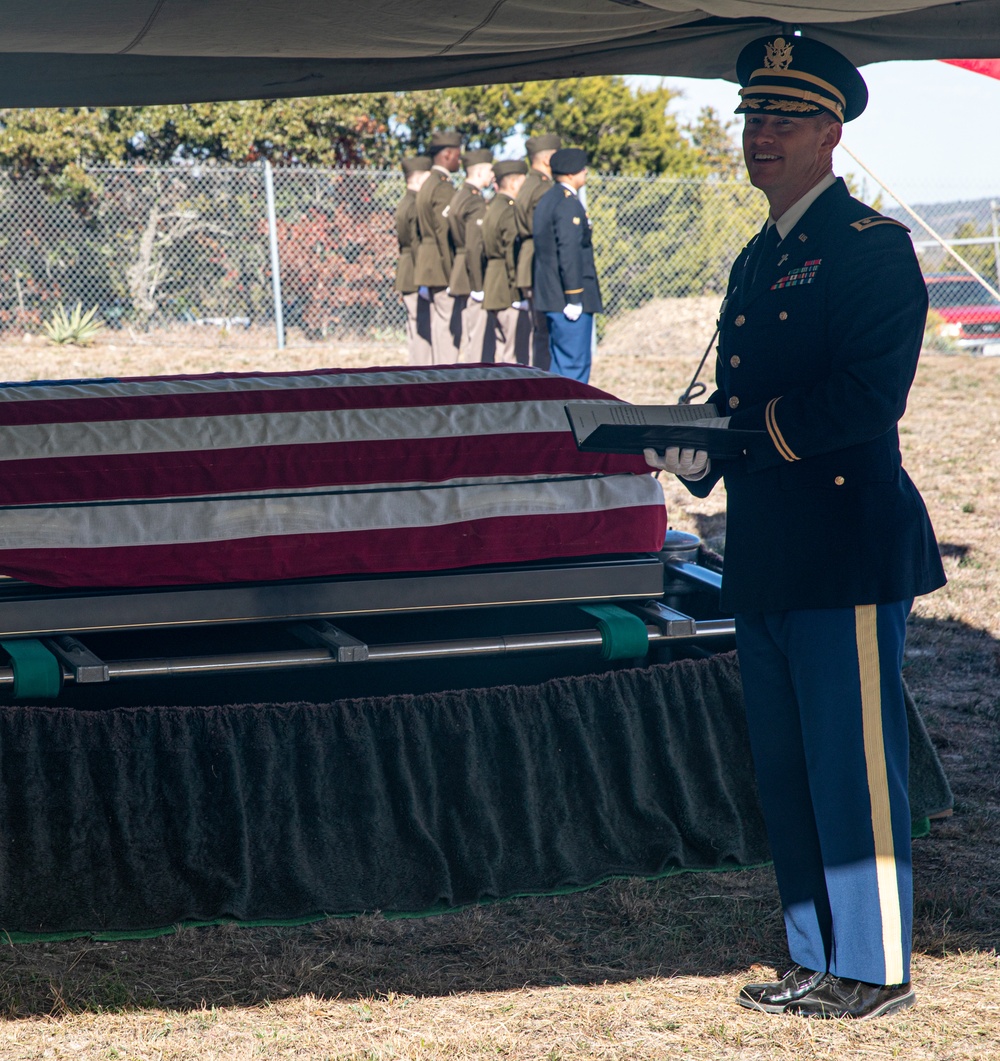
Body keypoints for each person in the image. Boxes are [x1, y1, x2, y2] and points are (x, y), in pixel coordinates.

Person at [644, 35, 946, 1020]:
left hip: (844, 542)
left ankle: (876, 966)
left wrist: (741, 436)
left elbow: (863, 397)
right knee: (788, 765)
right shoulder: (759, 253)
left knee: (851, 763)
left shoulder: (868, 247)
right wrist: (697, 450)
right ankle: (816, 956)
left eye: (782, 119)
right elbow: (748, 402)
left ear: (830, 131)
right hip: (768, 546)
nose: (759, 136)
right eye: (750, 118)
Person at [530, 147, 602, 383]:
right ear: (571, 174)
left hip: (552, 295)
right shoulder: (567, 203)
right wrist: (574, 298)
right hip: (566, 298)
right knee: (574, 367)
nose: (585, 173)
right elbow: (568, 252)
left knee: (560, 365)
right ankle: (573, 418)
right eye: (582, 169)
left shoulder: (549, 199)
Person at [414, 129, 463, 361]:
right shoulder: (442, 186)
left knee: (437, 324)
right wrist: (453, 270)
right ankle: (446, 378)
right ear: (447, 154)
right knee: (446, 327)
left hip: (428, 262)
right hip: (441, 264)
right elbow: (444, 232)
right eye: (457, 154)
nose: (459, 159)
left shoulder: (427, 182)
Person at [514, 132, 561, 369]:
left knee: (539, 328)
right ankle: (546, 379)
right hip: (539, 260)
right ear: (546, 160)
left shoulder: (527, 184)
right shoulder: (542, 188)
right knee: (545, 330)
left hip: (528, 259)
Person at [448, 148, 495, 361]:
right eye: (489, 171)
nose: (492, 175)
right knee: (477, 339)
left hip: (461, 268)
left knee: (469, 333)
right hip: (472, 273)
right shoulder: (474, 200)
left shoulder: (460, 194)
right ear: (478, 172)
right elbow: (474, 246)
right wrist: (478, 285)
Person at [482, 159, 530, 363]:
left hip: (493, 283)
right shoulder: (509, 209)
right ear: (512, 183)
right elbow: (511, 253)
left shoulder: (493, 206)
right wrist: (517, 291)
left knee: (503, 348)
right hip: (506, 288)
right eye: (522, 181)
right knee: (513, 354)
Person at [394, 155, 433, 364]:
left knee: (415, 327)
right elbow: (417, 242)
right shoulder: (416, 205)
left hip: (407, 268)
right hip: (415, 270)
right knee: (422, 330)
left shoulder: (404, 202)